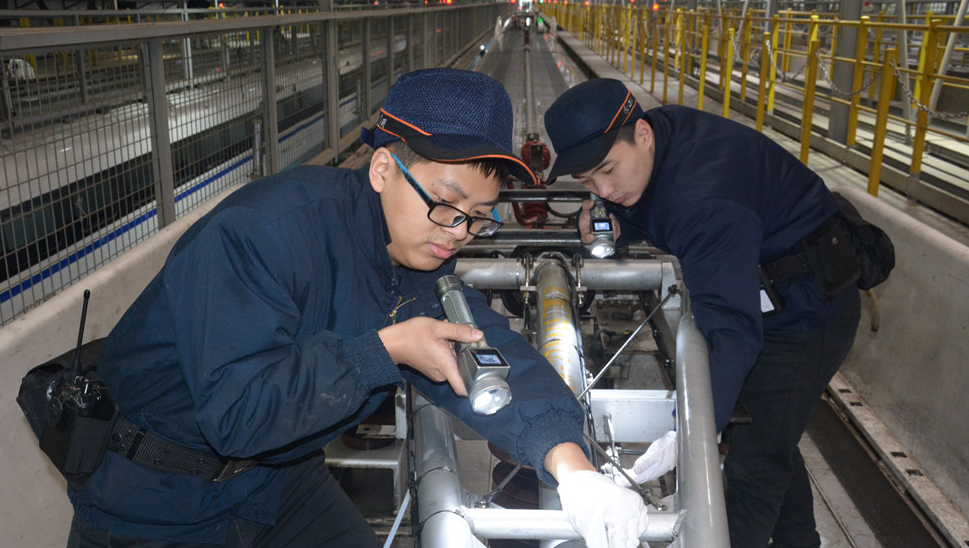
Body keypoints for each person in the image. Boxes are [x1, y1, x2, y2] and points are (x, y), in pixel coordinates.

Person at [63, 69, 648, 548]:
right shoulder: (264, 234)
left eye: (479, 216)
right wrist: (384, 351)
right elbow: (238, 414)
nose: (459, 233)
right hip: (153, 504)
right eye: (447, 205)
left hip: (273, 484)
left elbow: (486, 347)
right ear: (383, 169)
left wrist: (573, 470)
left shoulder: (409, 252)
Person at [544, 79, 862, 548]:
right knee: (771, 436)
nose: (604, 189)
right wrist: (617, 222)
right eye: (588, 182)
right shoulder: (665, 138)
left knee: (756, 462)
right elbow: (650, 202)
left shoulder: (704, 197)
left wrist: (690, 431)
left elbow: (733, 332)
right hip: (770, 293)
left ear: (643, 136)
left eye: (608, 170)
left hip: (807, 315)